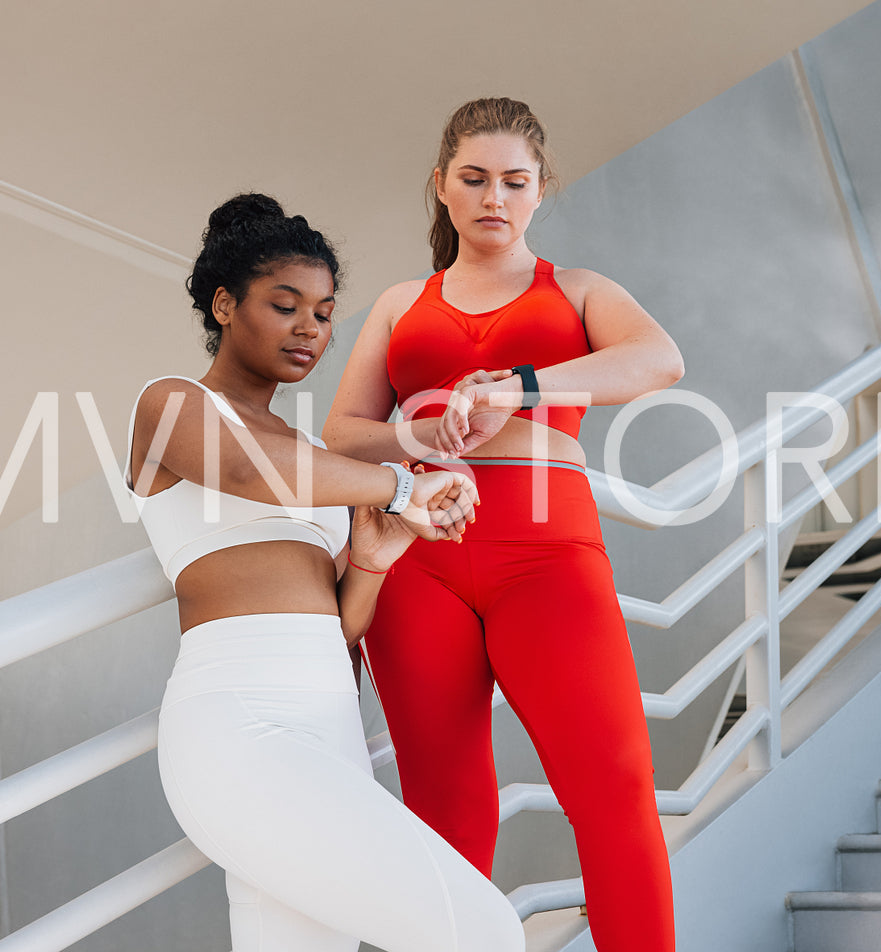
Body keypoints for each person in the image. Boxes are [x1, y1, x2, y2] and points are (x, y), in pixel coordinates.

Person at [323, 97, 684, 951]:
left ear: (539, 190)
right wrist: (420, 428)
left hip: (547, 554)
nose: (494, 198)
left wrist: (518, 387)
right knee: (444, 805)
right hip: (418, 557)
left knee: (613, 785)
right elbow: (341, 433)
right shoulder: (398, 302)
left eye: (514, 182)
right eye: (474, 179)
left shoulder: (581, 290)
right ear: (441, 188)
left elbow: (659, 359)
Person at [125, 193, 525, 952]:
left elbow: (339, 628)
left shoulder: (308, 453)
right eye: (285, 305)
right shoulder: (171, 404)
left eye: (324, 310)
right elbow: (246, 468)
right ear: (223, 303)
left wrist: (371, 560)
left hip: (330, 727)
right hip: (241, 726)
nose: (310, 327)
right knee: (483, 933)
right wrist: (403, 486)